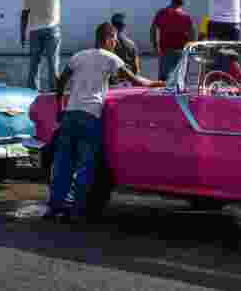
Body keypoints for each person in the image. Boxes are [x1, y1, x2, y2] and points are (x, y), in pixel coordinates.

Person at [46, 22, 163, 223]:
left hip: (70, 115)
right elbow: (135, 80)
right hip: (90, 116)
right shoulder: (110, 58)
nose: (116, 43)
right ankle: (76, 211)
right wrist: (156, 84)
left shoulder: (78, 56)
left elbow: (60, 82)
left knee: (63, 164)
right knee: (85, 166)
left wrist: (59, 108)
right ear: (108, 38)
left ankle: (54, 208)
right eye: (115, 40)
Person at [20, 0, 78, 91]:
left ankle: (32, 91)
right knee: (53, 63)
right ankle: (54, 91)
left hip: (34, 31)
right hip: (52, 30)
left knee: (34, 63)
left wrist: (22, 34)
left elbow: (24, 15)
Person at [150, 0, 197, 81]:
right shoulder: (186, 16)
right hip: (181, 52)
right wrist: (191, 49)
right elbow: (192, 33)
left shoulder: (161, 13)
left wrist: (155, 46)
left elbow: (153, 29)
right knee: (180, 79)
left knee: (163, 80)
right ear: (182, 2)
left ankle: (163, 94)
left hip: (165, 51)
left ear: (172, 0)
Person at [109, 13, 139, 84]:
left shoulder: (107, 45)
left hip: (112, 82)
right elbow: (136, 69)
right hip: (128, 81)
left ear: (111, 25)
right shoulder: (131, 44)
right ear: (124, 26)